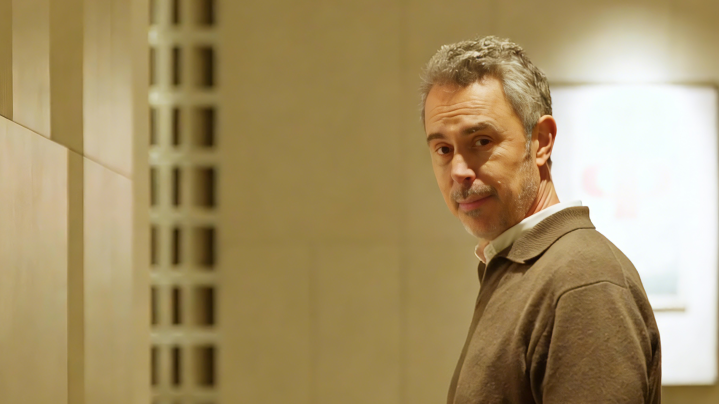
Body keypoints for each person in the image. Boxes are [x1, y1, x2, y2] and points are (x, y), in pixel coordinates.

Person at [420, 36, 661, 404]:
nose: (459, 171)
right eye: (443, 149)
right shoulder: (522, 267)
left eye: (481, 141)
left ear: (542, 141)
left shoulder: (583, 279)